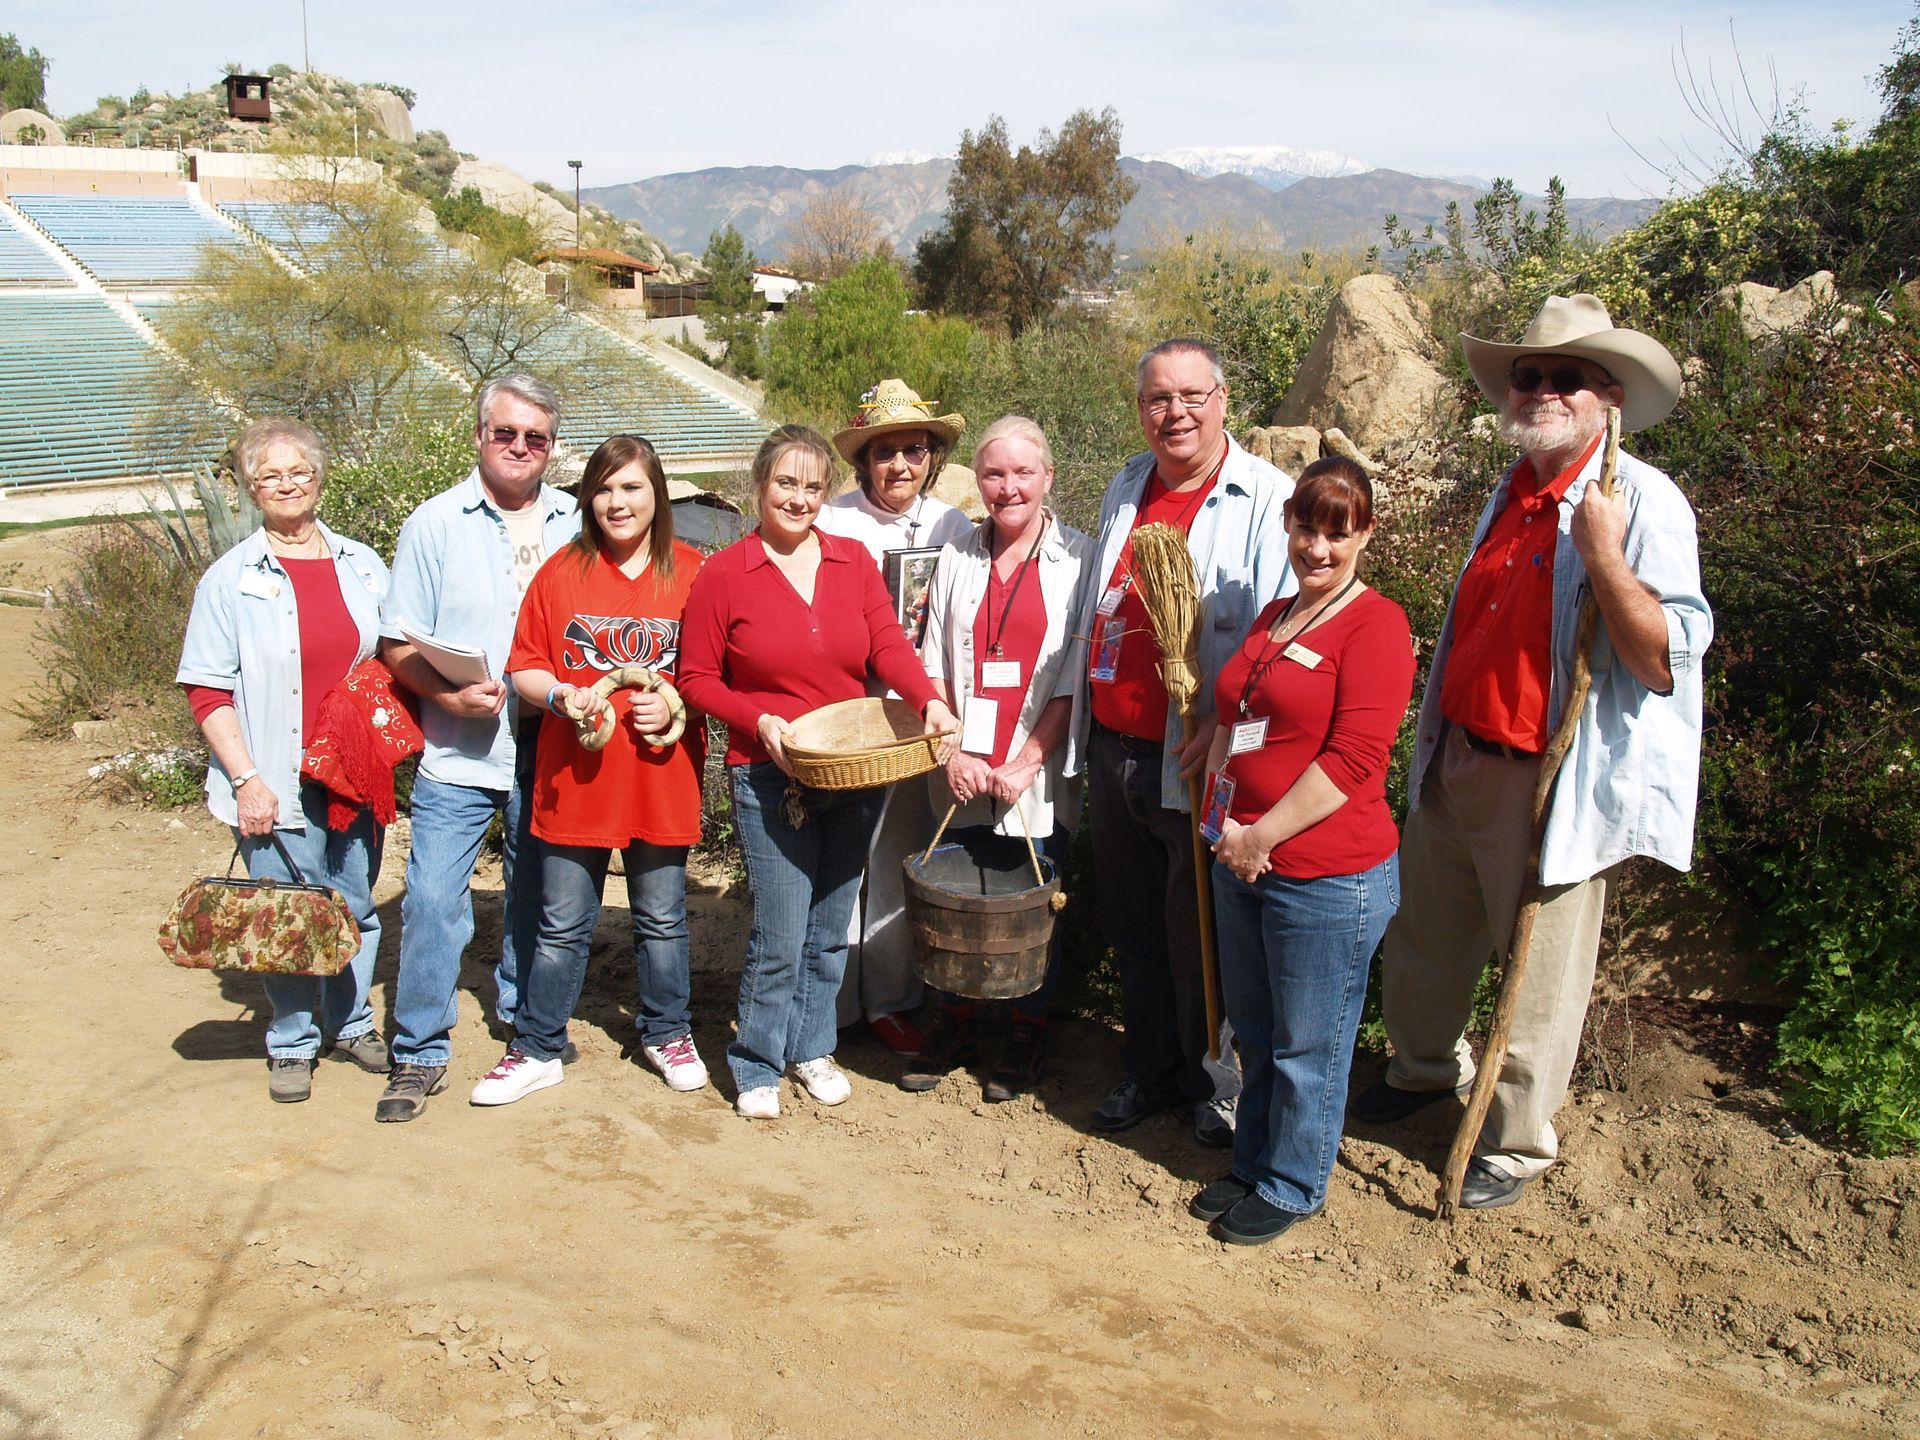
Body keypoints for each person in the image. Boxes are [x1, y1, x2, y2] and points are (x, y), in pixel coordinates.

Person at [1355, 294, 1712, 1210]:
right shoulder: (1510, 489)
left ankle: (1514, 1142)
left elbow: (1665, 658)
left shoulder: (1639, 502)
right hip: (1460, 761)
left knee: (1539, 972)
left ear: (1609, 400)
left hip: (1549, 783)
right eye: (1530, 374)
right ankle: (1423, 1071)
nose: (1542, 390)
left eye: (1567, 378)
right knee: (1426, 940)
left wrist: (1605, 558)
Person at [677, 425, 959, 1120]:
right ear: (759, 486)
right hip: (769, 773)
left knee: (833, 921)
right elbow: (695, 677)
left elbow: (887, 643)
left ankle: (811, 1046)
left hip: (851, 765)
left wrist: (927, 699)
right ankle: (757, 1059)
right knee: (781, 930)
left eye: (811, 486)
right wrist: (757, 722)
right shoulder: (725, 574)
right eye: (786, 484)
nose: (799, 498)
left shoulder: (852, 561)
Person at [1188, 458, 1416, 1245]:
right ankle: (1252, 1160)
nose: (1318, 548)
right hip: (1241, 857)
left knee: (1307, 1042)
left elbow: (1354, 759)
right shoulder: (1276, 614)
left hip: (1324, 873)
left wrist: (1260, 836)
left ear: (1365, 536)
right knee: (1254, 1028)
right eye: (1307, 528)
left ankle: (1294, 1182)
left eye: (1337, 533)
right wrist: (1223, 817)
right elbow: (1238, 713)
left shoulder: (1377, 625)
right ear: (1287, 526)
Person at [1077, 338, 1296, 1145]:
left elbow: (1278, 633)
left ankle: (1220, 1083)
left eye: (1191, 397)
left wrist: (1219, 720)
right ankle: (1151, 1071)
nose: (1175, 414)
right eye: (1158, 399)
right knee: (1134, 927)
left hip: (1195, 757)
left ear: (1224, 401)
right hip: (1114, 745)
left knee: (1198, 932)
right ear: (1140, 410)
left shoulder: (1266, 499)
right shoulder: (1126, 486)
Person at [468, 435, 708, 1107]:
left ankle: (668, 1030)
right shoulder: (560, 572)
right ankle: (539, 1045)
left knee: (661, 918)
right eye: (603, 489)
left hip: (661, 776)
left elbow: (709, 673)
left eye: (631, 487)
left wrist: (672, 705)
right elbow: (525, 665)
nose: (616, 502)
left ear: (657, 494)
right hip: (576, 778)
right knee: (562, 923)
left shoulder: (692, 573)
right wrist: (563, 695)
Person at [376, 374, 579, 1123]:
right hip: (460, 749)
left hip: (550, 746)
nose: (521, 447)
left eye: (537, 437)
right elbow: (397, 640)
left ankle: (526, 1028)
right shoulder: (434, 524)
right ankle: (420, 1049)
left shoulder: (576, 520)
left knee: (534, 890)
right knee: (432, 898)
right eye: (507, 433)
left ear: (552, 448)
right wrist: (448, 694)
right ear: (480, 437)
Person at [176, 418, 392, 1104]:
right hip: (269, 773)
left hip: (351, 776)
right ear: (249, 488)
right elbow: (207, 688)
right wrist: (246, 780)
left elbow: (395, 656)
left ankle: (352, 1022)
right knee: (286, 913)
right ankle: (293, 1041)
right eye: (270, 475)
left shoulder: (362, 563)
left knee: (353, 904)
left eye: (298, 471)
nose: (287, 484)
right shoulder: (230, 578)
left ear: (320, 478)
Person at [901, 417, 1093, 1101]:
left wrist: (1027, 761)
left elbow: (1076, 674)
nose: (1008, 488)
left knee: (1030, 901)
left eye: (1022, 473)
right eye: (993, 474)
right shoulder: (955, 553)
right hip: (960, 766)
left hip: (1028, 775)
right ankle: (952, 1020)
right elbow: (930, 664)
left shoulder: (1080, 558)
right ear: (977, 481)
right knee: (957, 893)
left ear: (1048, 477)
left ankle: (1024, 1030)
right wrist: (950, 750)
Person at [817, 379, 975, 1058]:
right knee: (835, 861)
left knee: (897, 857)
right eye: (886, 452)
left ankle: (889, 998)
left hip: (919, 716)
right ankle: (830, 999)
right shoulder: (832, 520)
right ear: (863, 461)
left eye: (914, 450)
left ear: (932, 458)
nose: (901, 465)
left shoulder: (954, 526)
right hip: (846, 715)